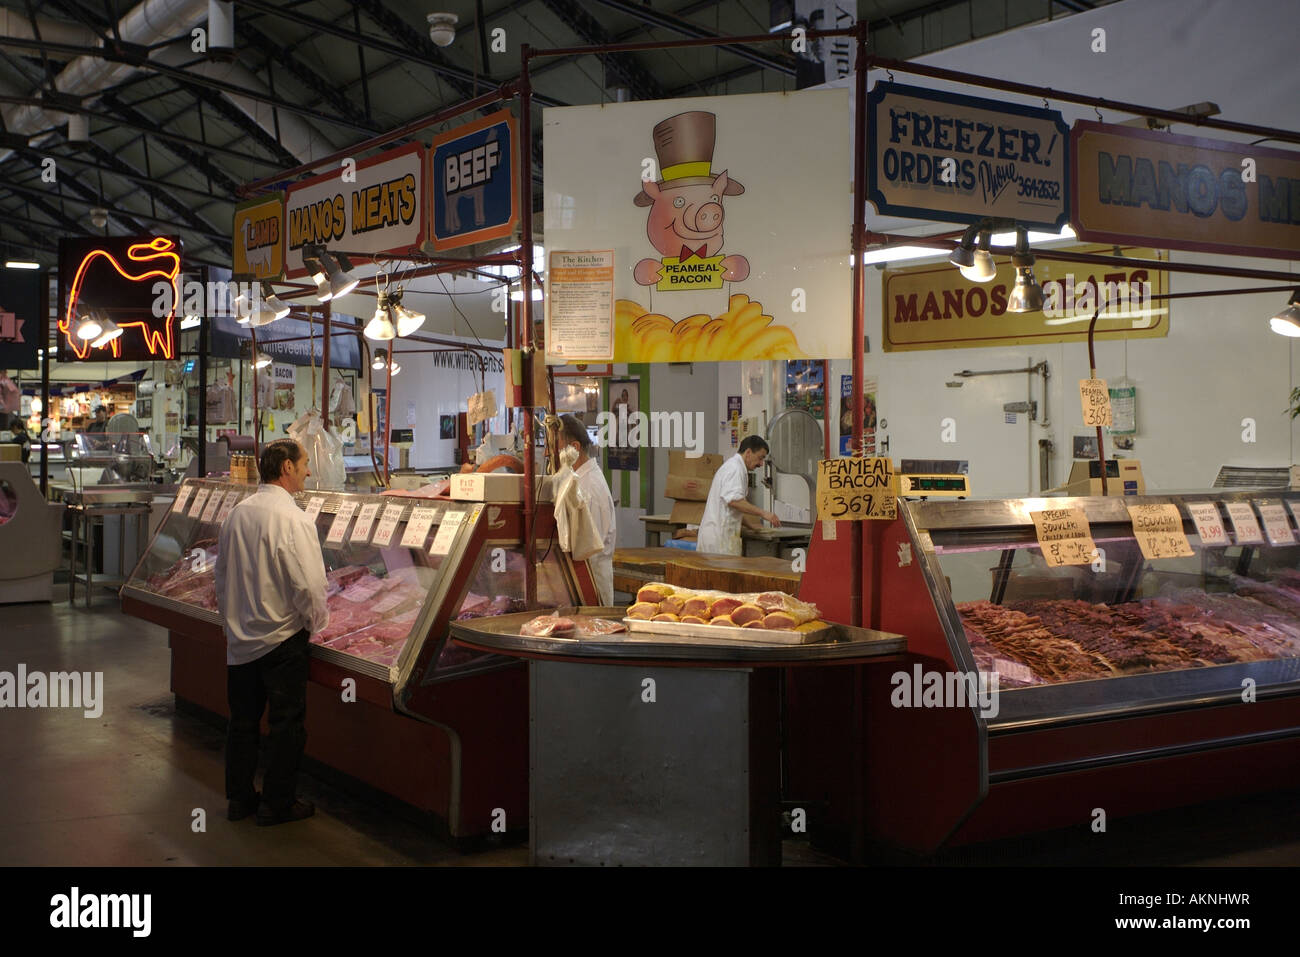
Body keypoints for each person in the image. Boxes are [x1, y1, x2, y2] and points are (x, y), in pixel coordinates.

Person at [214, 439, 328, 826]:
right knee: (285, 725)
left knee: (242, 722)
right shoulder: (294, 519)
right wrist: (316, 625)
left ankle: (240, 799)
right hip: (282, 639)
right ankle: (278, 804)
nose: (308, 471)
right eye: (305, 464)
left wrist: (231, 621)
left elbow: (222, 575)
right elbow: (309, 585)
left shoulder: (237, 514)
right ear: (287, 470)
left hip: (241, 635)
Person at [559, 413, 616, 605]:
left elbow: (586, 552)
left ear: (574, 448)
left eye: (553, 448)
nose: (546, 455)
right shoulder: (579, 481)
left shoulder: (587, 489)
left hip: (590, 589)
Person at [696, 435, 781, 555]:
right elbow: (734, 501)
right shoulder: (735, 469)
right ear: (748, 452)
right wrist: (764, 513)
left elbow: (731, 507)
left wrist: (750, 525)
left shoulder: (735, 467)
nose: (761, 464)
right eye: (760, 458)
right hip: (719, 541)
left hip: (719, 537)